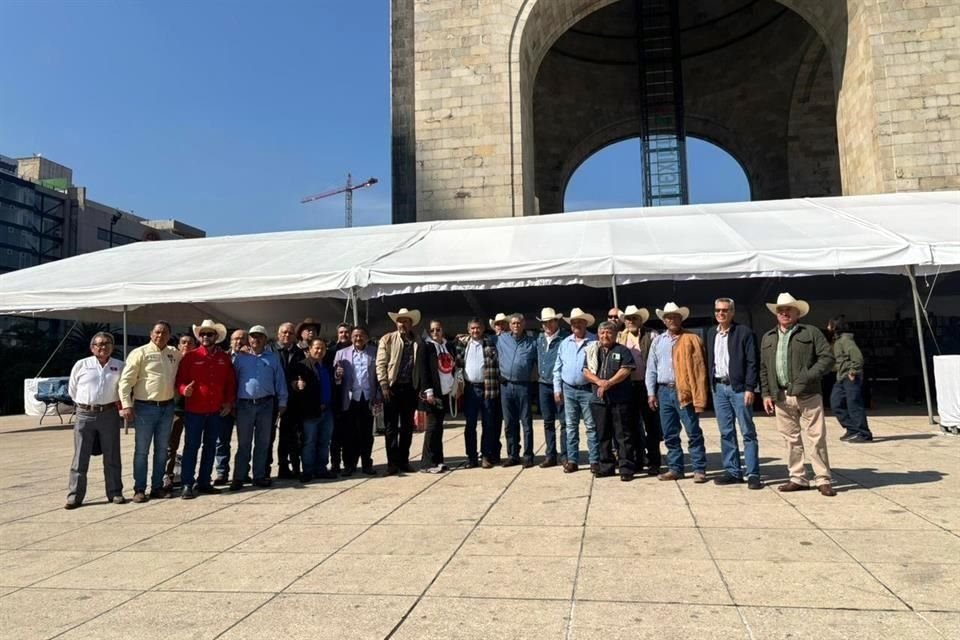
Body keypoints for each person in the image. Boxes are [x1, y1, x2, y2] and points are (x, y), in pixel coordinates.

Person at [760, 293, 837, 497]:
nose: (784, 313)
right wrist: (766, 393)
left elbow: (827, 358)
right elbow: (764, 369)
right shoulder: (768, 337)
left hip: (809, 393)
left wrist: (807, 377)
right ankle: (797, 477)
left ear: (797, 312)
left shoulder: (811, 332)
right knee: (790, 439)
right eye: (780, 310)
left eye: (788, 309)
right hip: (781, 395)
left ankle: (822, 478)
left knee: (816, 437)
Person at [645, 302, 709, 484]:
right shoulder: (657, 341)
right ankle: (675, 468)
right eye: (668, 317)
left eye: (675, 316)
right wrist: (651, 393)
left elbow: (700, 369)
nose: (671, 320)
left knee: (693, 431)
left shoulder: (692, 338)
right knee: (669, 433)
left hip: (685, 390)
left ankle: (699, 468)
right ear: (664, 321)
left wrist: (699, 395)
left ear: (681, 319)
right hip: (664, 390)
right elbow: (651, 368)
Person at [119, 321, 181, 502]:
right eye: (157, 332)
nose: (160, 336)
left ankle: (157, 487)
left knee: (162, 450)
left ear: (169, 335)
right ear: (151, 333)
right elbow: (125, 381)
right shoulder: (140, 353)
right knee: (142, 451)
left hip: (167, 408)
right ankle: (139, 488)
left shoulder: (174, 354)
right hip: (145, 408)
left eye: (164, 333)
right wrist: (126, 404)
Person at [706, 298, 762, 489]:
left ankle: (753, 473)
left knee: (747, 431)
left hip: (739, 389)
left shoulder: (744, 332)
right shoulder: (711, 333)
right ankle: (732, 471)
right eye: (718, 310)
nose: (721, 313)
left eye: (725, 310)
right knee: (726, 432)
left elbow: (752, 362)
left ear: (732, 312)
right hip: (719, 388)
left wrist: (750, 388)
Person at [174, 320, 235, 499]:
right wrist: (184, 390)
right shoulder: (190, 357)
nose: (205, 337)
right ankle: (187, 483)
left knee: (210, 447)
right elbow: (180, 381)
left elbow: (230, 384)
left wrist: (228, 402)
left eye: (209, 334)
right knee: (191, 447)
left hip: (215, 410)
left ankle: (204, 481)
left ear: (216, 336)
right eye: (203, 334)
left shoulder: (224, 358)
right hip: (194, 410)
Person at [65, 331, 125, 509]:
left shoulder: (119, 365)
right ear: (92, 348)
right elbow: (72, 390)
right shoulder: (81, 364)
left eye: (106, 343)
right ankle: (74, 496)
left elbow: (124, 388)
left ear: (112, 347)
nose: (102, 347)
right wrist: (87, 405)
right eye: (98, 344)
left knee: (112, 455)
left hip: (109, 414)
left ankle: (115, 492)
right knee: (80, 456)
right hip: (84, 414)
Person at [232, 325, 288, 489]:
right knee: (244, 443)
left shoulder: (272, 358)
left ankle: (259, 475)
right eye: (253, 336)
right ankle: (239, 476)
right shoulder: (240, 359)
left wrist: (283, 401)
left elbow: (280, 381)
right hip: (244, 405)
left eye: (259, 336)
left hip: (266, 404)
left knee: (263, 442)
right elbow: (233, 381)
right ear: (249, 339)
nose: (255, 339)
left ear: (265, 339)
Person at [583, 321, 638, 481]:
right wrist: (600, 382)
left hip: (619, 399)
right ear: (598, 335)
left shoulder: (623, 351)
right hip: (599, 400)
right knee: (602, 434)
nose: (605, 336)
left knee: (622, 435)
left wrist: (609, 383)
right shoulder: (593, 351)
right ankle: (606, 466)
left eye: (608, 333)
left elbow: (626, 370)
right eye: (602, 333)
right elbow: (586, 371)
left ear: (615, 335)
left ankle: (626, 468)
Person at [376, 308, 428, 474]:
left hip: (409, 388)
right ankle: (392, 462)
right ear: (396, 323)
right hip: (392, 388)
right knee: (391, 427)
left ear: (411, 324)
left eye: (406, 321)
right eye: (400, 321)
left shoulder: (417, 341)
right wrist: (384, 385)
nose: (402, 324)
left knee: (407, 426)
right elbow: (381, 363)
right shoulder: (387, 339)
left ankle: (404, 460)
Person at [553, 308, 597, 474]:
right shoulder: (564, 343)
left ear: (585, 323)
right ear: (571, 325)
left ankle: (594, 460)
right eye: (574, 322)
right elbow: (557, 368)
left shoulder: (594, 341)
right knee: (571, 426)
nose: (577, 325)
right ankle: (572, 460)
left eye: (580, 322)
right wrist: (557, 389)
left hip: (587, 389)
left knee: (591, 426)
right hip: (568, 389)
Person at [617, 305, 659, 475]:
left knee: (652, 426)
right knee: (632, 426)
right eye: (628, 318)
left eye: (634, 318)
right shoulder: (620, 337)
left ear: (641, 320)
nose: (631, 321)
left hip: (647, 386)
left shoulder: (652, 335)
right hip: (628, 386)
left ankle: (654, 461)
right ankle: (638, 460)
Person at [333, 326, 381, 476]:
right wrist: (337, 375)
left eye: (361, 336)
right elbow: (335, 378)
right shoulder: (341, 353)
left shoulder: (374, 352)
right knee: (349, 434)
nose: (358, 339)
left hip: (368, 398)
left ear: (367, 337)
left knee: (367, 434)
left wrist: (378, 395)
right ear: (351, 337)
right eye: (355, 336)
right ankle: (349, 464)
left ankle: (367, 463)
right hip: (350, 399)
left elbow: (379, 375)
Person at [455, 318, 501, 468]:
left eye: (478, 328)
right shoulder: (462, 345)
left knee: (488, 425)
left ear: (483, 329)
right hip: (469, 389)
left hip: (487, 387)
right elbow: (457, 364)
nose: (476, 331)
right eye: (473, 328)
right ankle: (472, 457)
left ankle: (486, 456)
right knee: (470, 425)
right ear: (469, 330)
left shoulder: (490, 343)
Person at [290, 338, 337, 481]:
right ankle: (308, 471)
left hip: (327, 410)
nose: (319, 351)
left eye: (322, 348)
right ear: (309, 349)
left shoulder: (328, 366)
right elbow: (293, 383)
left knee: (324, 441)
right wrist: (297, 385)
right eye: (316, 348)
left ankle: (321, 469)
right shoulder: (301, 366)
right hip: (310, 411)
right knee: (309, 442)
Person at [497, 313, 538, 467]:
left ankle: (528, 456)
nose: (516, 326)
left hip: (524, 386)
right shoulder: (501, 339)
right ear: (509, 325)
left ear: (524, 324)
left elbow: (538, 362)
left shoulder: (532, 343)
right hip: (506, 386)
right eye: (513, 323)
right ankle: (513, 454)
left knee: (526, 423)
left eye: (518, 323)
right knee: (509, 423)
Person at [827, 317, 873, 443]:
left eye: (829, 324)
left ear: (835, 326)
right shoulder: (837, 341)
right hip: (841, 377)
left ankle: (864, 434)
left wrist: (853, 371)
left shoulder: (846, 340)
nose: (827, 327)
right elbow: (840, 360)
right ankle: (852, 429)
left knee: (854, 405)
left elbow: (857, 357)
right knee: (836, 403)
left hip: (850, 377)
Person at [536, 307, 569, 468]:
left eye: (551, 321)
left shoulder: (565, 338)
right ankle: (551, 454)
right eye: (545, 322)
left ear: (556, 321)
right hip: (543, 384)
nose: (548, 325)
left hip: (560, 384)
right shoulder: (540, 339)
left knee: (564, 421)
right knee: (548, 421)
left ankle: (565, 455)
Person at [163, 333, 197, 491]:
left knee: (192, 445)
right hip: (175, 408)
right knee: (171, 446)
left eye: (190, 343)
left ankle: (189, 476)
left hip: (193, 408)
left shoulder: (197, 361)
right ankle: (167, 477)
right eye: (183, 342)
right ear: (178, 345)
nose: (186, 345)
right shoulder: (172, 359)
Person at [213, 328, 246, 485]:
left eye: (242, 339)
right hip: (225, 404)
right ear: (231, 341)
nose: (239, 342)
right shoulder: (222, 357)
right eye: (236, 339)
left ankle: (243, 471)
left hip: (245, 404)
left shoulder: (252, 357)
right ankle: (221, 472)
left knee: (245, 441)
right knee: (222, 440)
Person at [274, 322, 305, 479]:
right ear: (278, 334)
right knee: (273, 437)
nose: (287, 335)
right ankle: (280, 467)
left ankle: (295, 466)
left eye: (290, 333)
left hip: (294, 400)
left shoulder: (300, 353)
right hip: (274, 399)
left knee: (294, 436)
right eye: (284, 332)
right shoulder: (271, 351)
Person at [419, 320, 449, 473]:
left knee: (439, 427)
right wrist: (428, 391)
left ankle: (438, 459)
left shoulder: (446, 346)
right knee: (431, 427)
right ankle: (427, 462)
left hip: (444, 391)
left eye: (438, 329)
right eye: (432, 330)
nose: (435, 332)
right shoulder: (426, 346)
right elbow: (423, 370)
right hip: (432, 393)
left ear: (442, 330)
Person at [327, 322, 353, 472]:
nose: (344, 335)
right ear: (337, 334)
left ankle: (349, 463)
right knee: (335, 435)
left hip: (351, 398)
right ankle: (335, 464)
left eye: (346, 332)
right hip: (336, 398)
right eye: (341, 332)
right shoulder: (331, 352)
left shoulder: (355, 350)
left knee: (349, 434)